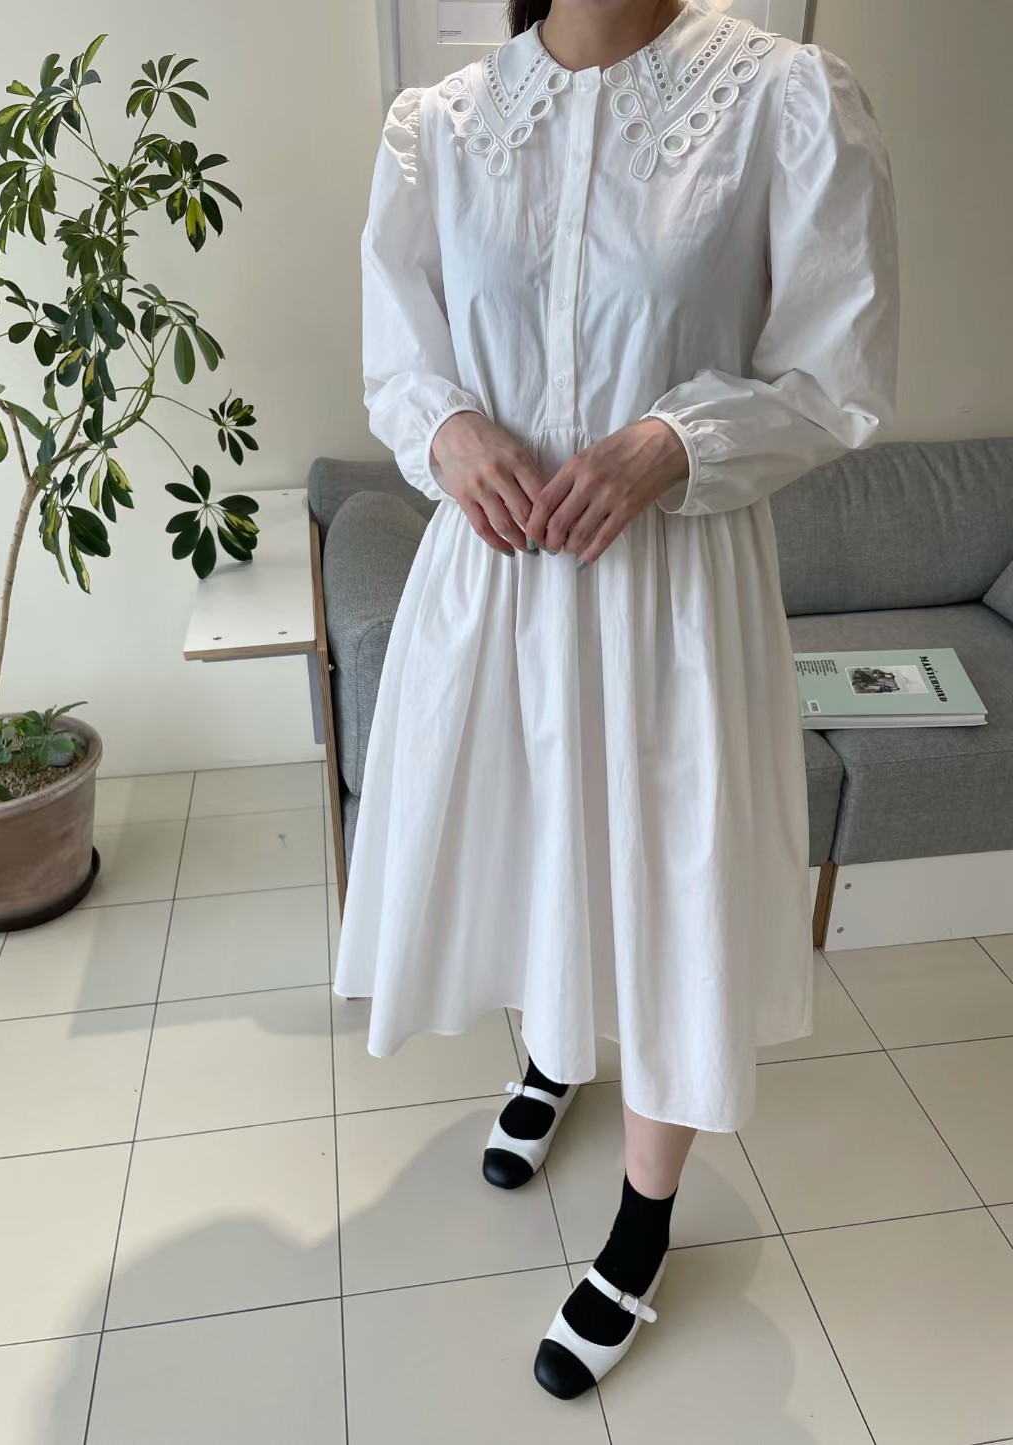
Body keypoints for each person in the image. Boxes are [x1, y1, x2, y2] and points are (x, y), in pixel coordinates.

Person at [334, 0, 898, 1399]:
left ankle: (643, 1223)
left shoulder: (782, 102)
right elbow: (401, 361)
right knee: (531, 846)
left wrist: (672, 440)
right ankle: (550, 1055)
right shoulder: (442, 129)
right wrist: (447, 428)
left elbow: (837, 372)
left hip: (673, 597)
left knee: (666, 889)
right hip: (496, 588)